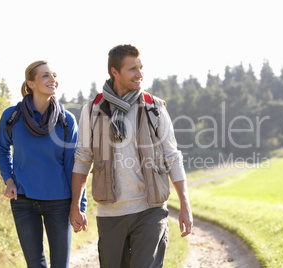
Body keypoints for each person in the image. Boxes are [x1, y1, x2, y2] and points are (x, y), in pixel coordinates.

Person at [70, 44, 193, 267]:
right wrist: (75, 206)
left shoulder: (154, 107)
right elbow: (83, 158)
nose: (140, 74)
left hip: (150, 210)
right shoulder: (92, 110)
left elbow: (172, 156)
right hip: (110, 213)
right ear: (114, 72)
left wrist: (185, 204)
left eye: (141, 67)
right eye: (132, 69)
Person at [0, 60, 87, 268]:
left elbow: (76, 165)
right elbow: (1, 149)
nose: (52, 79)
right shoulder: (12, 117)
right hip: (24, 202)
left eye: (54, 75)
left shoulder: (66, 120)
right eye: (45, 75)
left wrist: (78, 206)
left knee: (60, 265)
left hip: (59, 203)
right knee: (35, 264)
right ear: (31, 83)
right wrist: (9, 180)